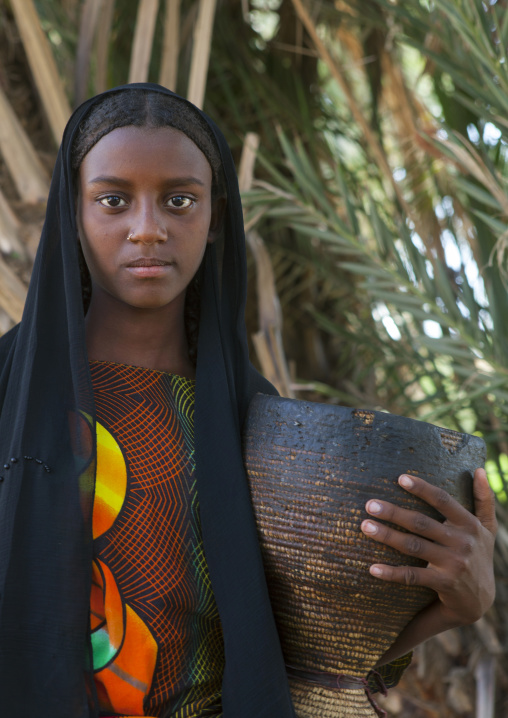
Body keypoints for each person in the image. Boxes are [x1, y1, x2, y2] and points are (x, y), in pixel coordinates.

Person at [0, 83, 497, 718]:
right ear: (72, 211)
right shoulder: (6, 398)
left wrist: (457, 605)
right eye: (113, 200)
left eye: (180, 200)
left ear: (215, 218)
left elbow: (311, 662)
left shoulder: (274, 435)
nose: (147, 229)